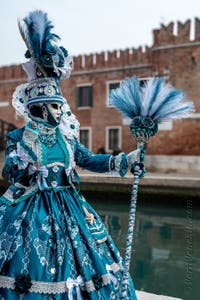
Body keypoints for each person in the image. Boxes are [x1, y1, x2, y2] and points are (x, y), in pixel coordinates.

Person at [0, 11, 141, 299]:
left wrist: (127, 160)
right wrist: (24, 167)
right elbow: (9, 172)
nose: (55, 112)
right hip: (30, 207)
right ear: (36, 107)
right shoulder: (18, 137)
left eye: (57, 106)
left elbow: (89, 160)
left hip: (69, 204)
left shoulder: (67, 137)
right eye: (48, 107)